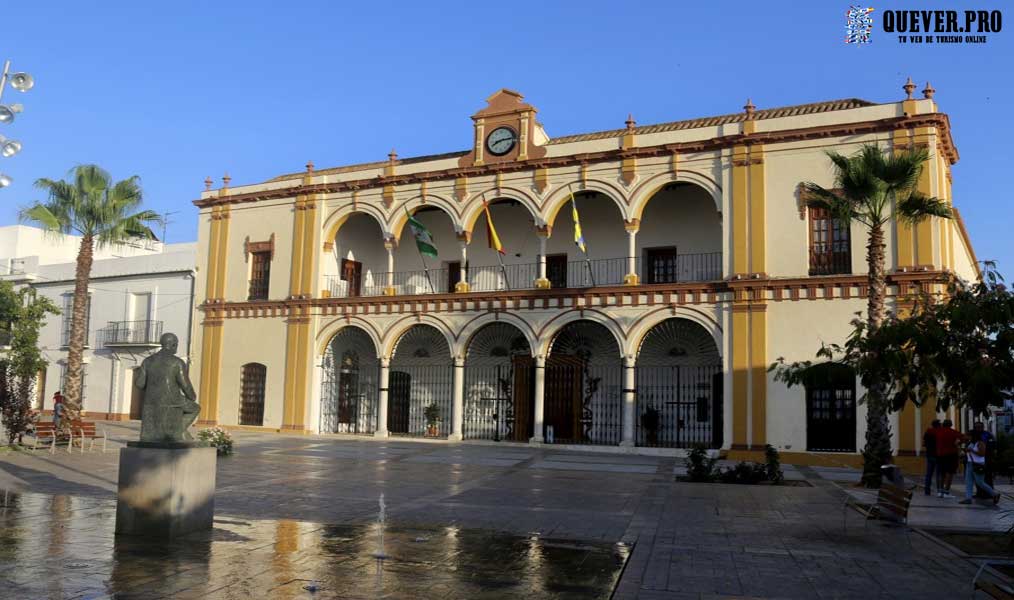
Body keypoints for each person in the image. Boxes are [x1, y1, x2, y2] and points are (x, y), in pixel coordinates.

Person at [960, 431, 1001, 505]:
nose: (966, 437)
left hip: (978, 464)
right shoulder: (970, 443)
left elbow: (982, 454)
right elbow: (968, 451)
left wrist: (971, 450)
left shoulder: (980, 443)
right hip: (970, 464)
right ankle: (968, 498)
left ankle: (994, 494)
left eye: (968, 436)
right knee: (968, 482)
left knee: (980, 482)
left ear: (973, 436)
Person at [935, 419, 961, 498]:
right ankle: (946, 492)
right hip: (951, 455)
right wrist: (957, 443)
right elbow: (963, 438)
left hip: (940, 454)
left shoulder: (938, 432)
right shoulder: (953, 432)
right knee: (949, 473)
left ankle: (939, 491)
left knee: (941, 473)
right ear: (951, 424)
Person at [922, 419, 941, 496]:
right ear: (938, 425)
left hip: (929, 455)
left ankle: (927, 490)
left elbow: (924, 443)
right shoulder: (939, 432)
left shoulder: (927, 432)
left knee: (928, 474)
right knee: (938, 474)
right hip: (938, 455)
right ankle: (939, 490)